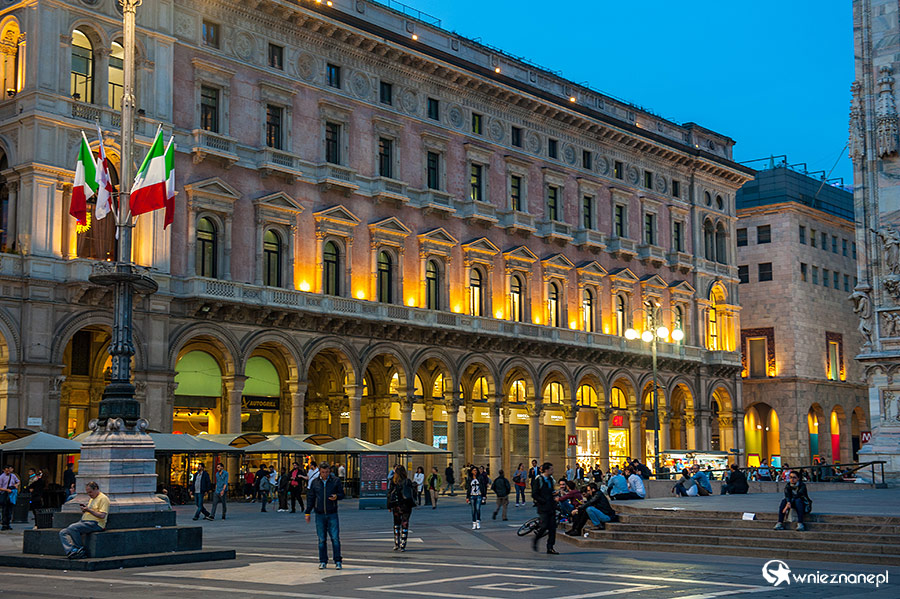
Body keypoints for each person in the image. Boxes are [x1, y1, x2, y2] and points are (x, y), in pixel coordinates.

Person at [305, 462, 344, 569]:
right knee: (321, 539)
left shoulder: (335, 481)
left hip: (332, 512)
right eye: (323, 472)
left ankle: (338, 561)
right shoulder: (315, 482)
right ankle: (323, 561)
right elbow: (311, 498)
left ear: (329, 471)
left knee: (335, 538)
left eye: (327, 472)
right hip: (320, 513)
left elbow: (342, 494)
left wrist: (337, 497)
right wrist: (307, 512)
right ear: (320, 472)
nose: (325, 474)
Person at [59, 481, 108, 558]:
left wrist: (89, 510)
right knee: (63, 532)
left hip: (96, 523)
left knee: (73, 527)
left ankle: (80, 549)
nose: (89, 494)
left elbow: (102, 515)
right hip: (85, 521)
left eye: (90, 492)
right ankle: (71, 550)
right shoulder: (92, 499)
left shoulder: (103, 498)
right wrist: (85, 511)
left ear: (96, 489)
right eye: (88, 493)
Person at [530, 462, 558, 554]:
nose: (553, 471)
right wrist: (543, 501)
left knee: (553, 528)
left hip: (551, 507)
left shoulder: (550, 479)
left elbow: (551, 492)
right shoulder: (539, 480)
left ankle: (550, 547)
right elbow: (534, 494)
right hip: (543, 508)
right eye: (551, 469)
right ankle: (536, 539)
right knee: (544, 526)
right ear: (546, 470)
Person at [387, 465, 416, 551]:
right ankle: (403, 544)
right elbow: (412, 493)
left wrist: (389, 506)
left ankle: (396, 543)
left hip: (396, 506)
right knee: (405, 524)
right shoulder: (407, 481)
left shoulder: (393, 481)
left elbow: (389, 494)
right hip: (406, 505)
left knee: (396, 524)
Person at [466, 465, 489, 529]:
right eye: (474, 470)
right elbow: (468, 488)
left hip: (479, 495)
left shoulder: (480, 477)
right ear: (471, 471)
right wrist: (467, 497)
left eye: (476, 470)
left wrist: (484, 496)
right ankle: (474, 522)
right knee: (473, 510)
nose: (475, 471)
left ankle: (478, 521)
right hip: (472, 495)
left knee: (478, 509)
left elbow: (483, 487)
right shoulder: (470, 478)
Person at [0, 465, 19, 530]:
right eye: (6, 470)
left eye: (9, 470)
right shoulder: (1, 477)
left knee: (10, 509)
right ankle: (4, 524)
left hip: (11, 492)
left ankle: (8, 524)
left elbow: (18, 481)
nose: (8, 471)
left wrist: (16, 485)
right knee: (4, 509)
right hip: (5, 493)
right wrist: (6, 490)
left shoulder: (13, 476)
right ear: (4, 470)